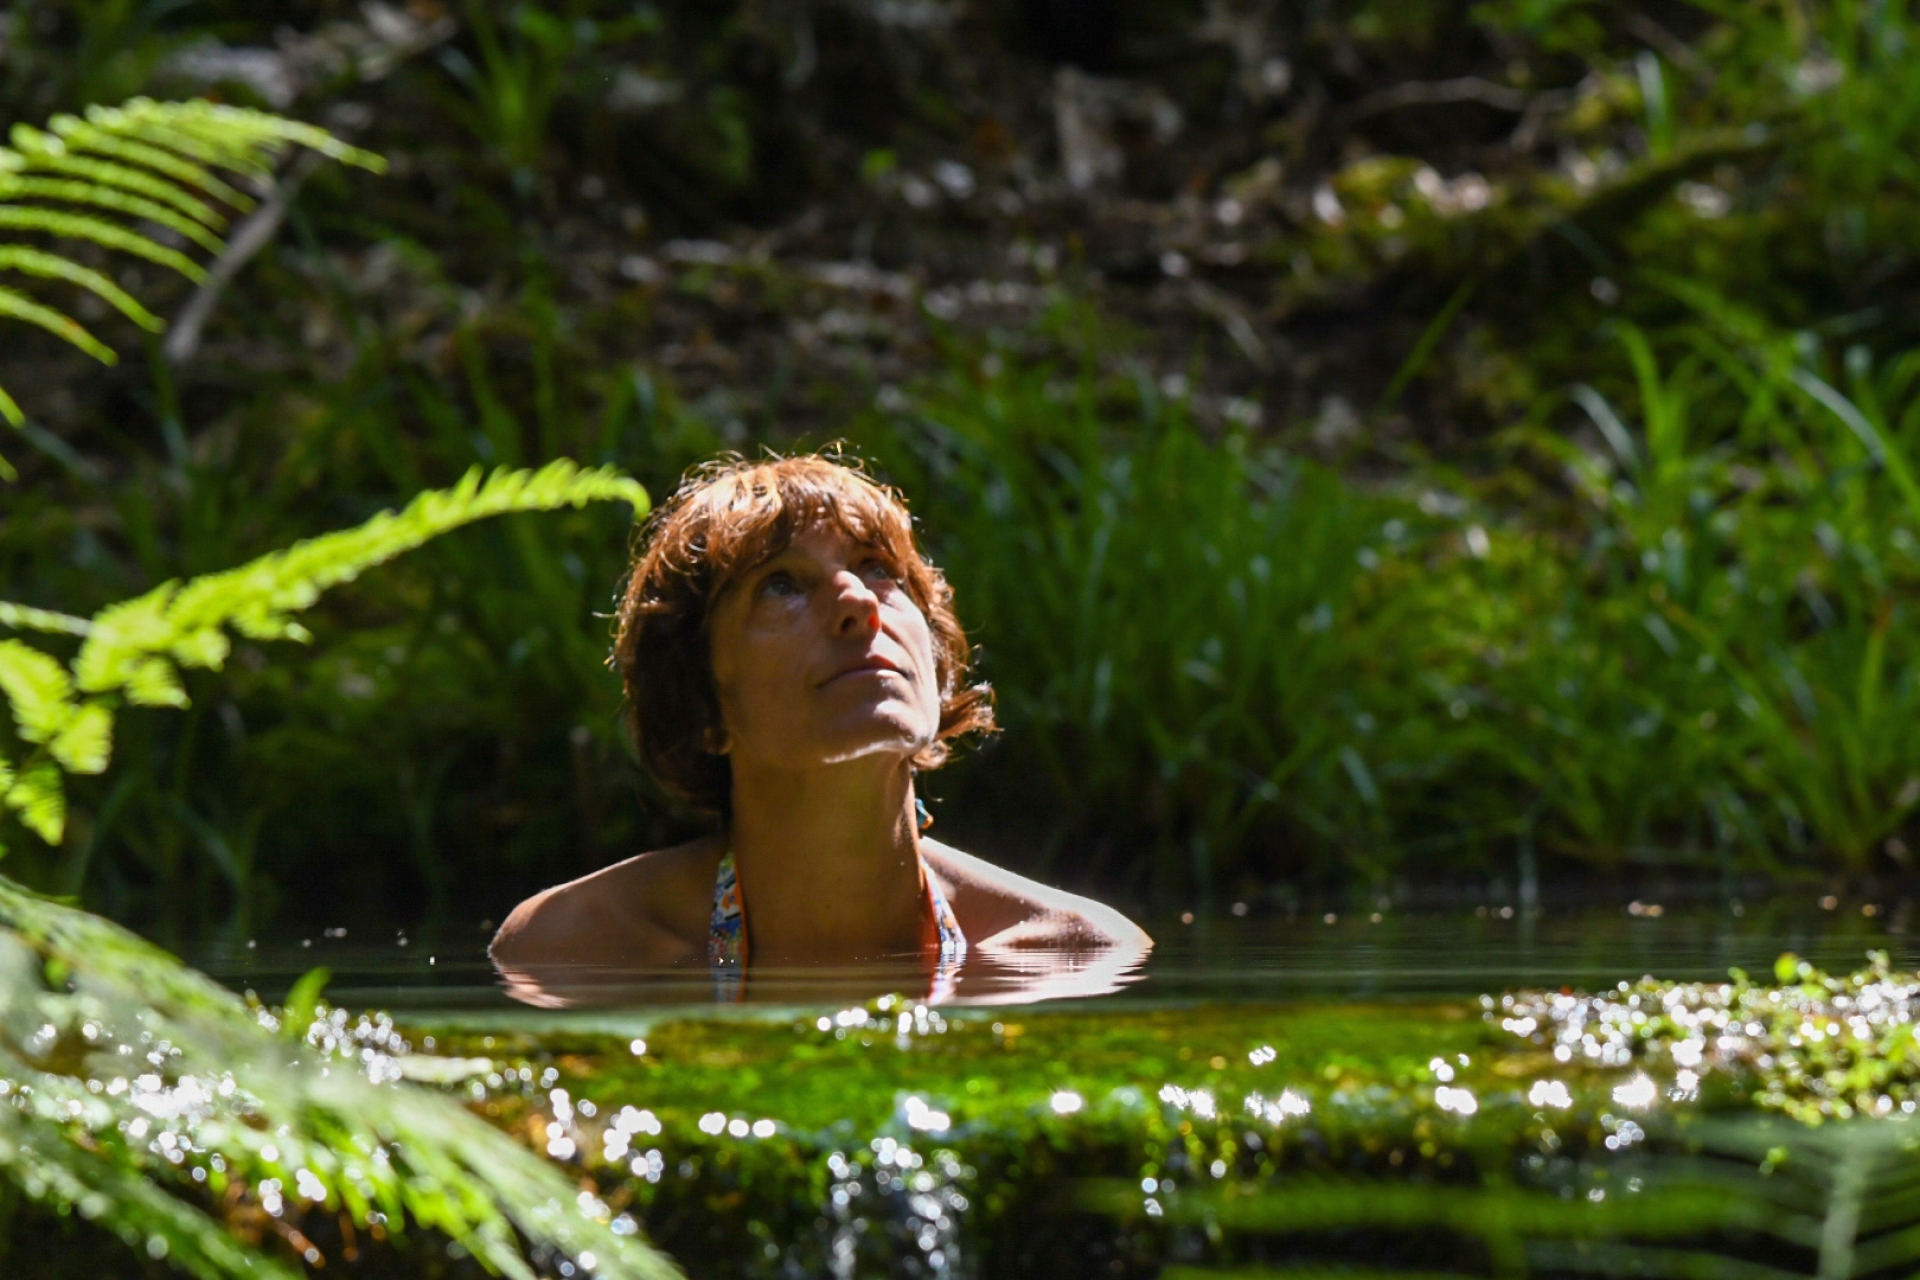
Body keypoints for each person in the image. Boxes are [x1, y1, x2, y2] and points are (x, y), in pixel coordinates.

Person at [490, 454, 1152, 1004]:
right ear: (703, 708)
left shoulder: (1077, 957)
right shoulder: (573, 949)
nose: (859, 603)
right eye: (781, 585)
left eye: (878, 568)